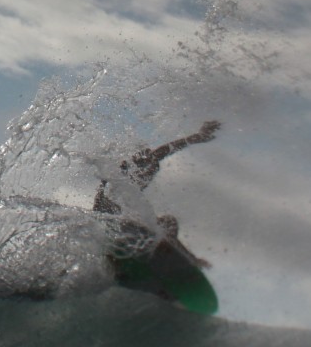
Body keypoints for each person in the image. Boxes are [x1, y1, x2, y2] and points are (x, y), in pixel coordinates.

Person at [93, 121, 220, 296]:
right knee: (162, 223)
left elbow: (162, 153)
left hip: (128, 236)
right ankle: (122, 267)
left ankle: (163, 273)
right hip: (108, 233)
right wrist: (197, 137)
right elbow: (160, 152)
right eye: (149, 172)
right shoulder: (118, 181)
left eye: (152, 173)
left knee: (166, 223)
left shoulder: (131, 195)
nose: (149, 178)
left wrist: (190, 258)